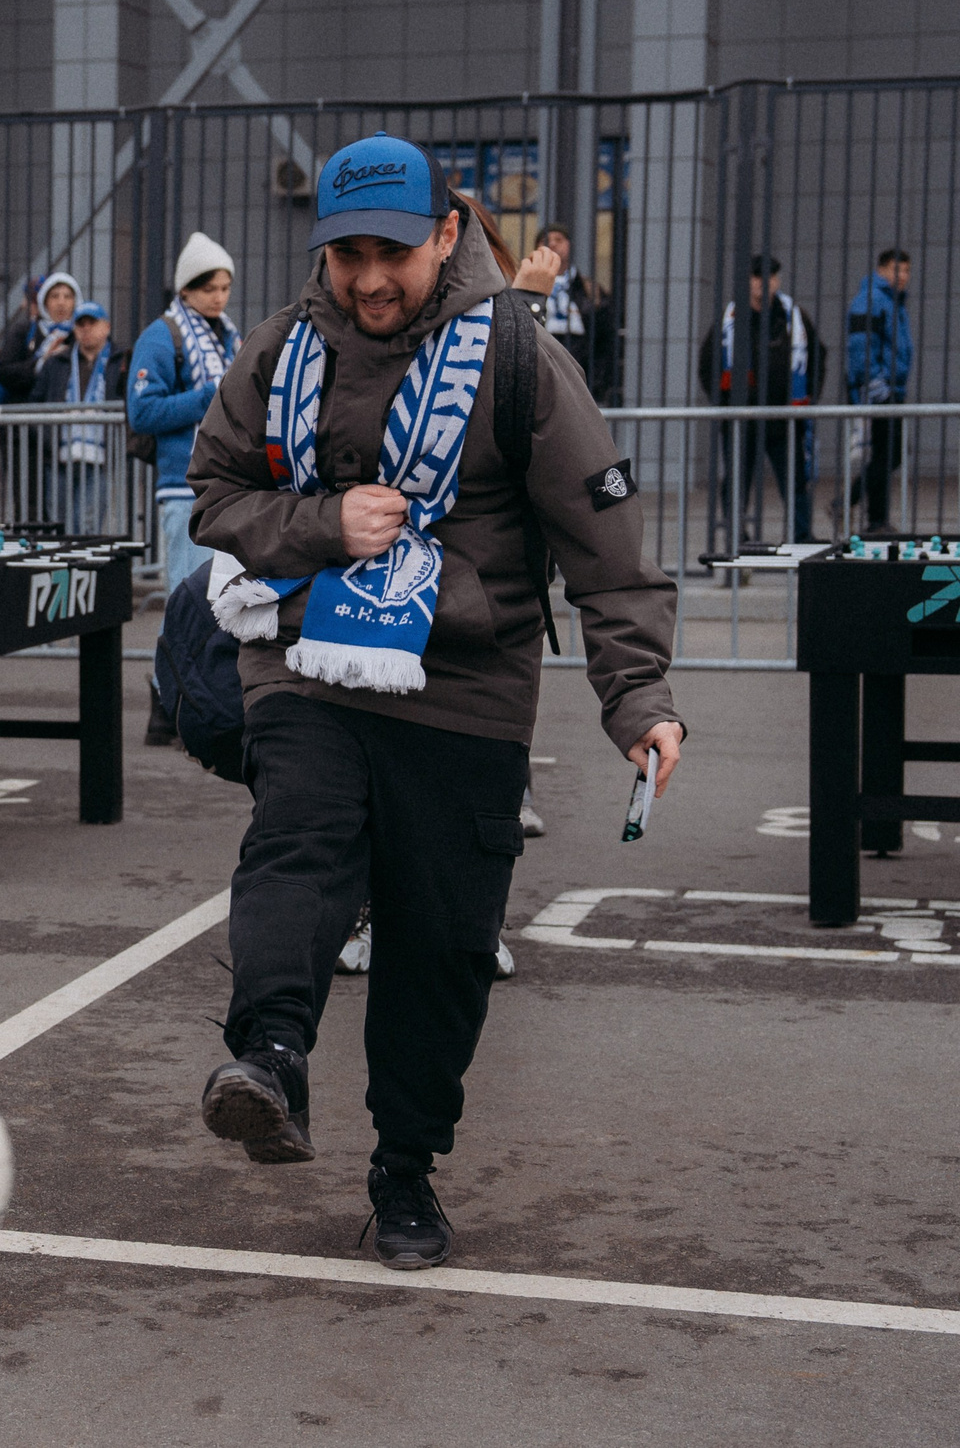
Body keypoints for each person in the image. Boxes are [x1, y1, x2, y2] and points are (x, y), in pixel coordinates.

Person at [189, 132, 682, 1270]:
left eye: (393, 253)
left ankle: (404, 1172)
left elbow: (601, 547)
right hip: (308, 659)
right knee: (298, 837)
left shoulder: (515, 355)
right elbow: (214, 491)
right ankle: (268, 1057)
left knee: (442, 945)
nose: (367, 278)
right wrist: (321, 525)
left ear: (448, 234)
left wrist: (638, 696)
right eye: (346, 253)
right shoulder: (279, 349)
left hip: (466, 683)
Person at [128, 232, 239, 595]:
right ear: (185, 290)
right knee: (188, 602)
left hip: (229, 487)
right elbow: (142, 412)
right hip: (184, 488)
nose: (219, 297)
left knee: (220, 604)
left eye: (224, 288)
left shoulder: (229, 336)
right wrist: (207, 396)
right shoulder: (160, 336)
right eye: (209, 289)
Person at [697, 254, 823, 545]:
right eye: (758, 277)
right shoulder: (729, 322)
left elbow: (817, 357)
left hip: (785, 418)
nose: (765, 283)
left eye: (771, 276)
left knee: (795, 480)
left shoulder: (793, 317)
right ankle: (736, 535)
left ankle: (801, 536)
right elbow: (708, 365)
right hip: (742, 420)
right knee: (737, 480)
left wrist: (809, 397)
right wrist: (725, 405)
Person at [36, 299, 119, 535]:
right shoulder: (58, 361)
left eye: (92, 323)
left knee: (88, 525)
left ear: (106, 327)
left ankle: (84, 572)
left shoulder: (118, 361)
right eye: (80, 324)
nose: (86, 329)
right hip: (59, 455)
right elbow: (36, 401)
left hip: (99, 457)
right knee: (58, 526)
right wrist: (45, 436)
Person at [845, 247, 912, 532]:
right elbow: (861, 346)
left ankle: (871, 514)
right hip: (880, 390)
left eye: (907, 271)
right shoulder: (872, 299)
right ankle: (870, 515)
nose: (903, 276)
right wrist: (876, 384)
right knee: (888, 454)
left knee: (888, 454)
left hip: (891, 388)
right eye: (897, 270)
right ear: (882, 269)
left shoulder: (891, 301)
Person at [531, 222, 614, 401]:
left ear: (569, 245)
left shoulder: (591, 290)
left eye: (558, 240)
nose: (552, 244)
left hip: (580, 375)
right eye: (545, 241)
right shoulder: (526, 290)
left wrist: (597, 385)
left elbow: (605, 340)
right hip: (539, 374)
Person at [0, 270, 80, 404]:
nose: (61, 303)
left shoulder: (80, 335)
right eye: (54, 296)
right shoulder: (24, 331)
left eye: (67, 297)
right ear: (44, 302)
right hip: (26, 416)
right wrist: (41, 363)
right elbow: (5, 373)